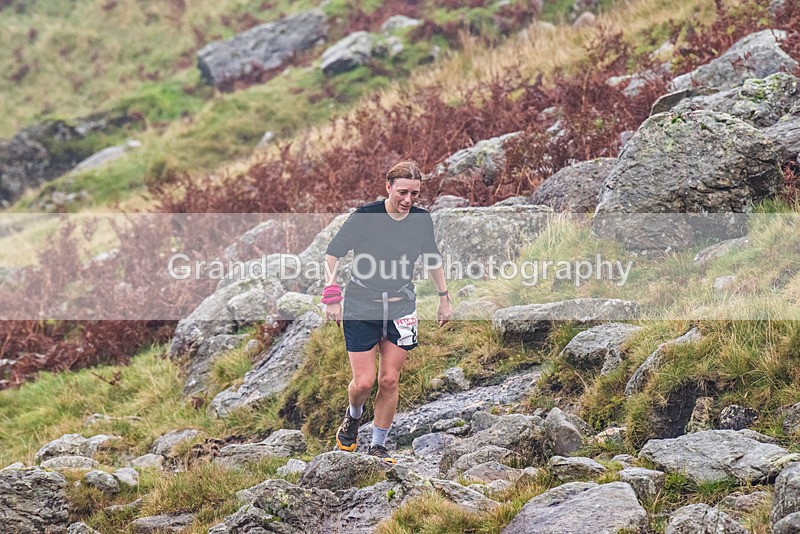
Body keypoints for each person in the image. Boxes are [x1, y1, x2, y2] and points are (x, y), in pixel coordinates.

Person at [322, 160, 451, 463]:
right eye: (403, 192)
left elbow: (432, 259)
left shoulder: (421, 219)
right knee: (364, 382)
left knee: (389, 380)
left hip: (401, 306)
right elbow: (333, 253)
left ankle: (379, 445)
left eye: (415, 194)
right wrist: (331, 295)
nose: (408, 200)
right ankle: (353, 417)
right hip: (360, 305)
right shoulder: (365, 217)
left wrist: (444, 298)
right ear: (388, 186)